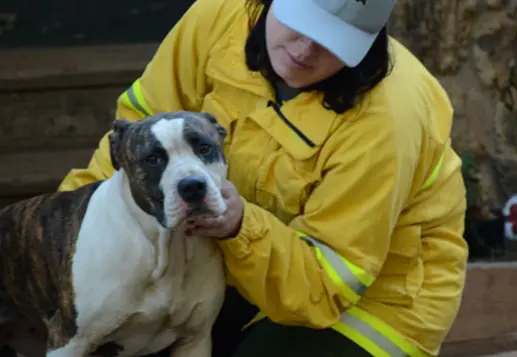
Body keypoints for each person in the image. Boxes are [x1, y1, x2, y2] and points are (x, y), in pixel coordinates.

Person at [58, 0, 469, 356]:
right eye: (302, 23)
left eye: (333, 40)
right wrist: (67, 245)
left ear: (368, 42)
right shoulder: (217, 17)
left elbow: (326, 287)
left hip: (368, 305)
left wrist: (239, 226)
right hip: (224, 265)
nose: (306, 50)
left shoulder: (387, 121)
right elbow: (135, 141)